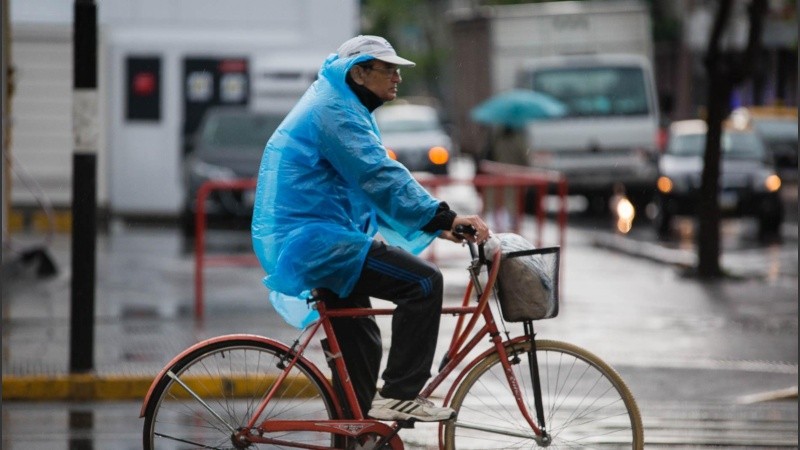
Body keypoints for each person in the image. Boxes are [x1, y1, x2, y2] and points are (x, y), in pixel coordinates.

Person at [251, 35, 490, 422]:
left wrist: (436, 227)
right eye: (388, 68)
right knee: (424, 283)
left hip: (322, 239)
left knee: (361, 349)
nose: (398, 76)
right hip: (318, 243)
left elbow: (369, 189)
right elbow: (380, 176)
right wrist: (444, 217)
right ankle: (399, 394)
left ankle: (359, 436)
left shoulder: (340, 103)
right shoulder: (335, 111)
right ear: (358, 72)